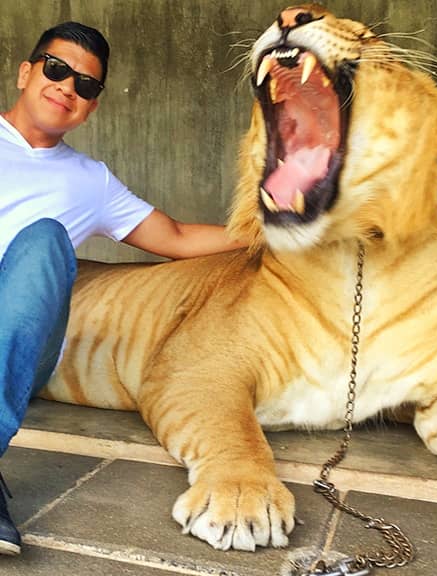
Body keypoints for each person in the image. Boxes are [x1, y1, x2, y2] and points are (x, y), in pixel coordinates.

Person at [0, 22, 245, 555]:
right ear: (27, 71)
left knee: (44, 240)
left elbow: (176, 237)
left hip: (16, 336)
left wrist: (286, 227)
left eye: (85, 85)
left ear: (91, 107)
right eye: (57, 69)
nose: (68, 87)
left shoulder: (92, 182)